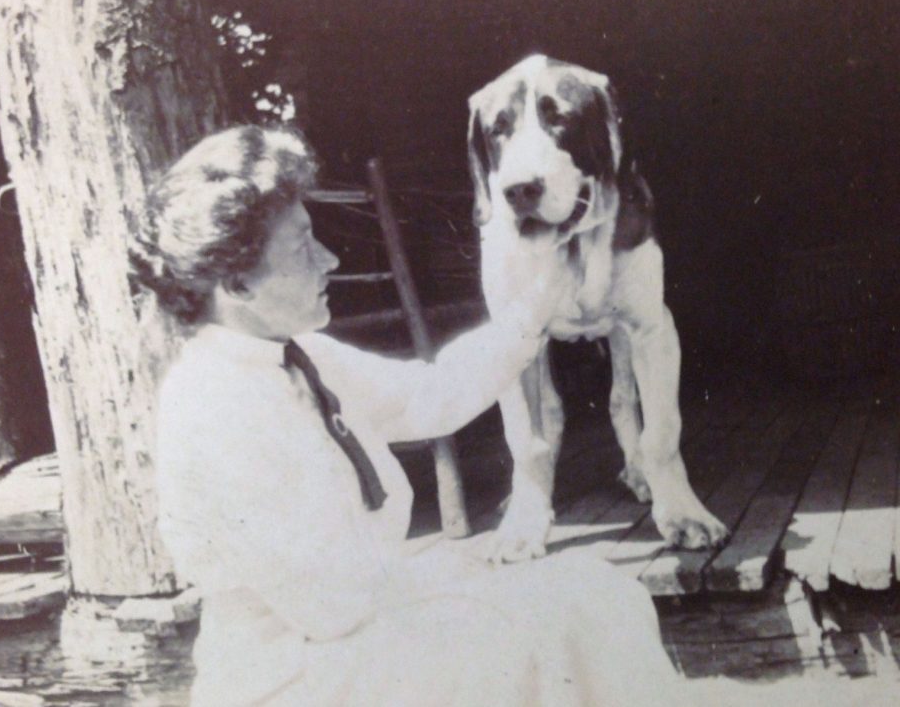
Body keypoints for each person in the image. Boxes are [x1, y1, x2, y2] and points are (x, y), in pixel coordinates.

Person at [134, 124, 682, 706]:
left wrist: (536, 307)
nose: (330, 258)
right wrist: (462, 581)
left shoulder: (299, 357)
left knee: (596, 592)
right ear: (236, 283)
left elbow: (429, 396)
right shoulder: (214, 406)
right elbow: (332, 605)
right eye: (301, 247)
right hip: (298, 677)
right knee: (530, 633)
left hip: (361, 637)